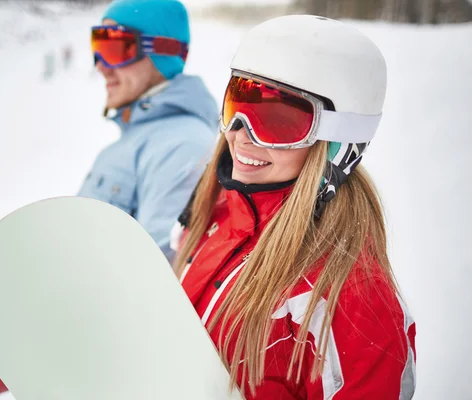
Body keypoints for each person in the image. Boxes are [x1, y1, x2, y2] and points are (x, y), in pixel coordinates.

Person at [171, 15, 417, 400]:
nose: (241, 134)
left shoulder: (355, 299)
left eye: (278, 121)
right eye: (240, 102)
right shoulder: (213, 213)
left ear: (336, 144)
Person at [77, 0, 219, 263]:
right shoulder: (144, 135)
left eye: (115, 47)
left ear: (161, 52)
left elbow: (156, 269)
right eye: (98, 46)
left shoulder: (182, 145)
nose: (101, 66)